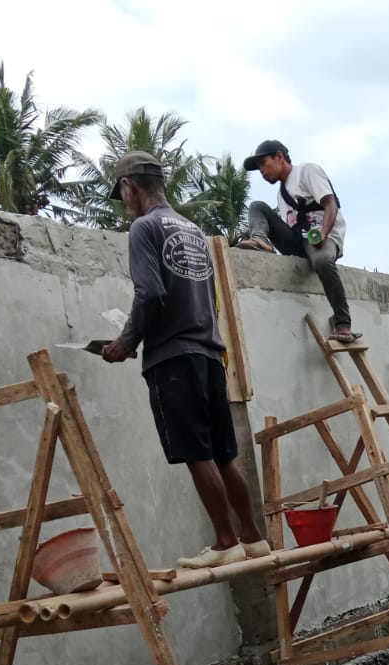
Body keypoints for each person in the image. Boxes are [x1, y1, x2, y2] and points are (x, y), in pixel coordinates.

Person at [99, 152, 270, 568]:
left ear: (129, 187)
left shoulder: (144, 228)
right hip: (210, 352)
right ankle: (252, 535)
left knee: (196, 452)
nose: (124, 201)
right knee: (223, 451)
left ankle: (226, 540)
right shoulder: (193, 229)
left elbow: (151, 293)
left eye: (122, 193)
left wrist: (125, 342)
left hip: (173, 356)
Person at [238, 139, 356, 343]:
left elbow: (331, 204)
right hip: (299, 240)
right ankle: (260, 239)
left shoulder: (307, 171)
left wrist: (323, 234)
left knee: (322, 261)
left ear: (279, 156)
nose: (262, 171)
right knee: (257, 206)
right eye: (259, 168)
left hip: (322, 236)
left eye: (264, 164)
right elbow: (290, 226)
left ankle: (343, 323)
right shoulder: (281, 195)